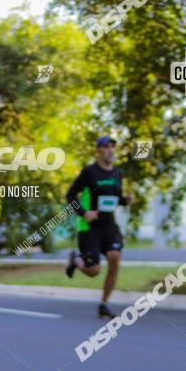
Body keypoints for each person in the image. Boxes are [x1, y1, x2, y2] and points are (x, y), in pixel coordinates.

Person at [65, 136, 135, 319]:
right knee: (93, 271)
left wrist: (125, 201)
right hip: (90, 227)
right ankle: (76, 261)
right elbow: (70, 195)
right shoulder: (89, 172)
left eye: (113, 146)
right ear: (98, 150)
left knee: (115, 257)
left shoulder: (118, 173)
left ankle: (104, 304)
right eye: (106, 146)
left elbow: (114, 199)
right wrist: (84, 213)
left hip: (109, 225)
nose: (111, 150)